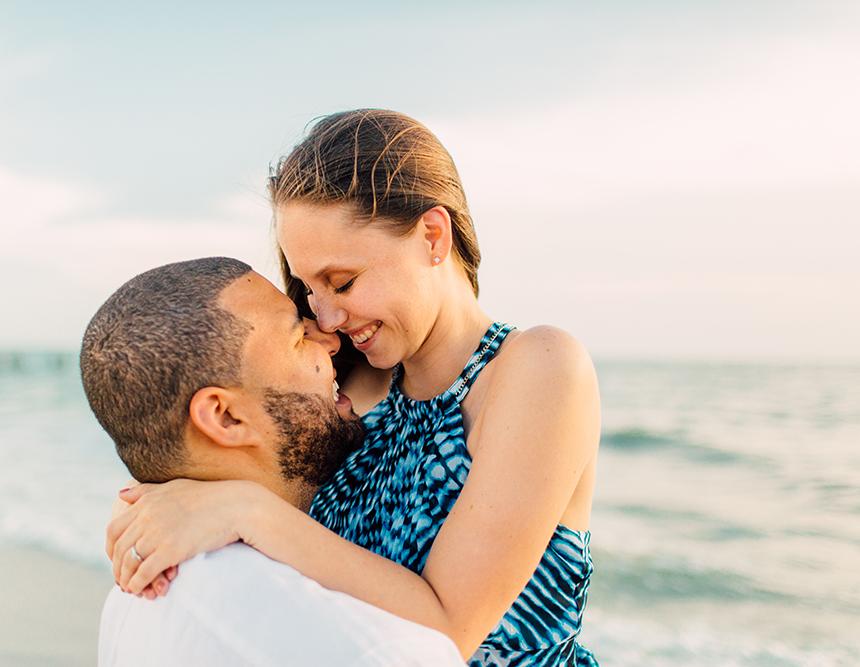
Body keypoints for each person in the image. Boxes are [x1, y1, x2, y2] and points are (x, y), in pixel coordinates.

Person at [108, 110, 602, 666]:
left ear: (433, 237)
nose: (326, 315)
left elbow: (447, 631)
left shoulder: (537, 369)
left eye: (341, 282)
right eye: (308, 285)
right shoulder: (350, 391)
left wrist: (243, 509)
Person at [82, 257, 465, 666]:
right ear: (226, 418)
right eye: (298, 335)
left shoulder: (131, 606)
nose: (332, 340)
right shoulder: (366, 648)